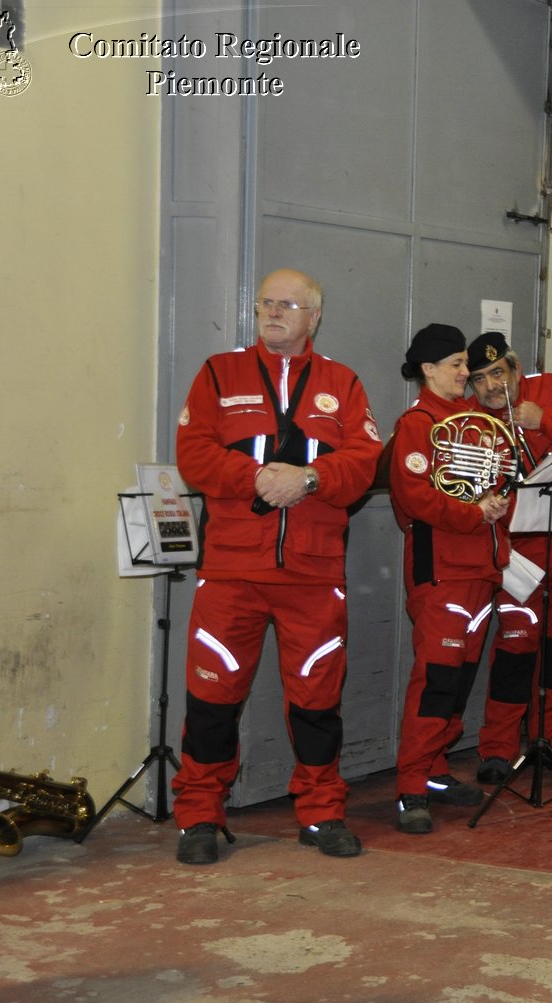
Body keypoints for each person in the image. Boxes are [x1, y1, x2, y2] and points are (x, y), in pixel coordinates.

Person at [173, 268, 383, 864]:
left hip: (313, 577)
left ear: (314, 316)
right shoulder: (219, 373)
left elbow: (365, 462)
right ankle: (199, 817)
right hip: (233, 573)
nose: (273, 313)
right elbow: (194, 455)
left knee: (317, 704)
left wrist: (310, 478)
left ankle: (321, 814)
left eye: (288, 305)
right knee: (211, 701)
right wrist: (259, 479)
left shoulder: (342, 383)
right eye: (266, 303)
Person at [385, 324, 512, 833]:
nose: (468, 373)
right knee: (435, 680)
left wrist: (498, 503)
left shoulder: (477, 422)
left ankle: (435, 769)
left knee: (458, 680)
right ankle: (410, 785)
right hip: (441, 570)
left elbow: (501, 477)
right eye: (458, 365)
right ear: (429, 369)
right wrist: (474, 513)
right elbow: (415, 498)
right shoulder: (416, 424)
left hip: (481, 567)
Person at [465, 332, 552, 786]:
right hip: (518, 559)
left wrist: (547, 419)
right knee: (515, 653)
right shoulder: (470, 424)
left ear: (516, 370)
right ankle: (497, 749)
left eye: (498, 374)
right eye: (479, 379)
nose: (490, 387)